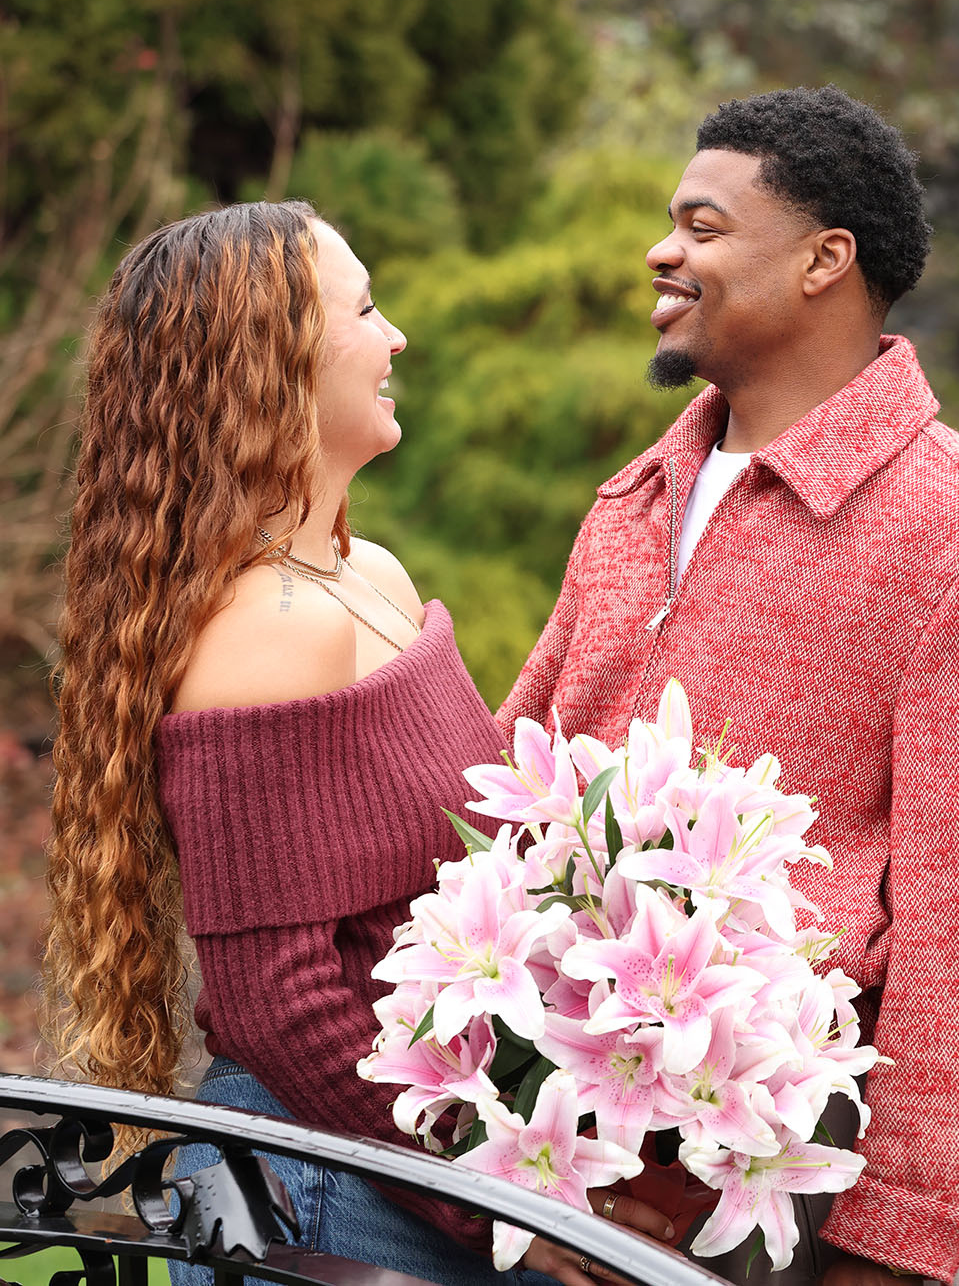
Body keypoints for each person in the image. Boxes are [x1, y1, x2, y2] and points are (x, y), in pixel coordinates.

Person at [499, 86, 959, 1285]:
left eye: (703, 228)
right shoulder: (634, 497)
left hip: (768, 1194)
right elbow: (511, 770)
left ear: (826, 259)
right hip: (550, 1150)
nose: (662, 251)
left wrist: (892, 1249)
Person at [43, 201, 681, 1286]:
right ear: (271, 359)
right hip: (330, 1192)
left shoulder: (368, 578)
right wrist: (491, 1202)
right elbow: (276, 1001)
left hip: (407, 1160)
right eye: (367, 307)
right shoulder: (267, 628)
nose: (396, 339)